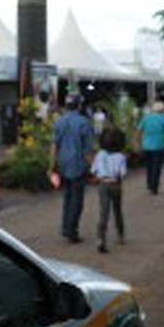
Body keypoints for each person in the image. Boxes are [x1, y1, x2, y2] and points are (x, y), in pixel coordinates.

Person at [49, 93, 94, 243]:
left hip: (62, 165)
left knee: (67, 198)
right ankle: (71, 231)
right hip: (78, 166)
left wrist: (51, 166)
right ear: (79, 105)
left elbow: (54, 146)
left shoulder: (58, 121)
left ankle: (66, 227)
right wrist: (94, 167)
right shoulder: (84, 123)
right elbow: (87, 150)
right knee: (76, 200)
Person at [91, 125, 127, 254]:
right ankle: (120, 235)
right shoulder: (121, 157)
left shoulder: (99, 155)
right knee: (117, 210)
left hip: (103, 185)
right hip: (115, 185)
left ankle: (101, 238)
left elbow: (94, 171)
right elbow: (122, 174)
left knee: (103, 213)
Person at [134, 100, 164, 195]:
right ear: (162, 110)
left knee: (149, 166)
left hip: (146, 146)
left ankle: (149, 184)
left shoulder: (146, 118)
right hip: (159, 146)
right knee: (157, 167)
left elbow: (138, 131)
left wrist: (137, 143)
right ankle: (154, 186)